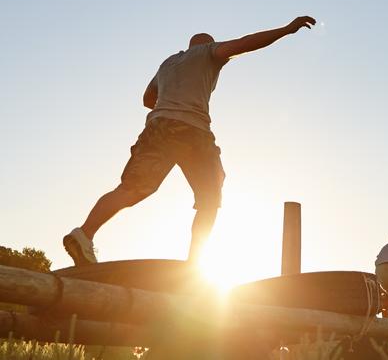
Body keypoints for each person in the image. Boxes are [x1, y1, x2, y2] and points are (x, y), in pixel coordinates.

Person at [63, 16, 316, 266]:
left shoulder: (168, 63)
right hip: (193, 131)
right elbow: (245, 43)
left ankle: (84, 234)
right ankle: (195, 263)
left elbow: (147, 99)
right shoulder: (208, 52)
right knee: (209, 199)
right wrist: (286, 30)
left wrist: (170, 101)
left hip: (157, 127)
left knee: (131, 189)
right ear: (208, 45)